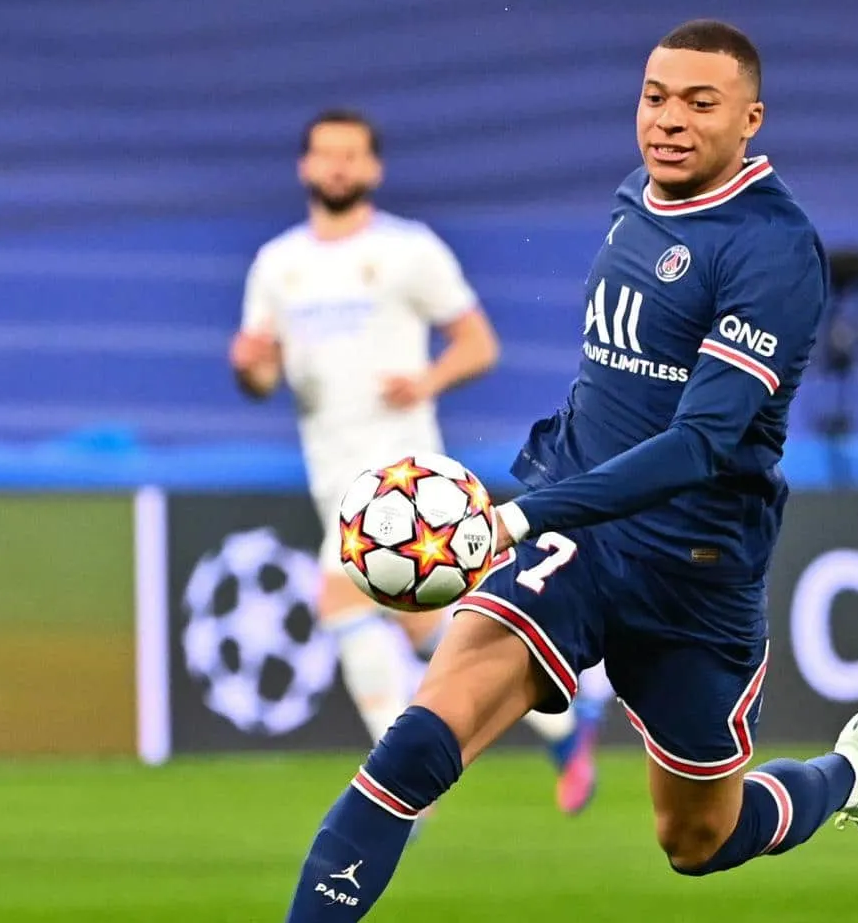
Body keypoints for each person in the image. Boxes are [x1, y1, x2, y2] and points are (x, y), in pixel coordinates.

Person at [188, 23, 858, 923]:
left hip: (696, 568)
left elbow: (699, 444)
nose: (671, 120)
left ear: (751, 119)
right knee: (418, 738)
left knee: (699, 837)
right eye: (655, 97)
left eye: (700, 104)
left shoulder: (773, 252)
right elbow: (605, 386)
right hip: (573, 540)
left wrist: (514, 506)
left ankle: (857, 775)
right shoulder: (637, 198)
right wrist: (530, 511)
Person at [231, 109, 602, 812]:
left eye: (351, 155)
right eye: (325, 154)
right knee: (426, 622)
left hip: (403, 477)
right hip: (329, 468)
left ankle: (401, 784)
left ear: (372, 169)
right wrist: (250, 367)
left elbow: (478, 344)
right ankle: (562, 724)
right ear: (304, 167)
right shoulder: (277, 265)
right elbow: (260, 376)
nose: (338, 166)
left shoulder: (409, 250)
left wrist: (424, 382)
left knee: (338, 592)